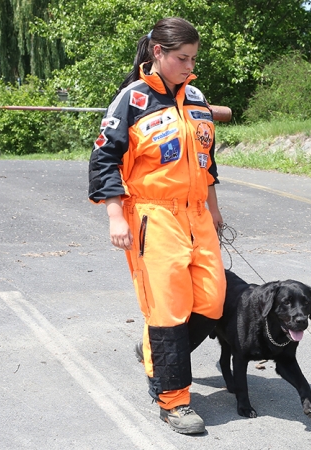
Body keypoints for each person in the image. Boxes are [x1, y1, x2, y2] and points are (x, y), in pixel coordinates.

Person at [88, 17, 226, 435]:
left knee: (212, 301)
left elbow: (207, 161)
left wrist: (214, 210)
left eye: (194, 58)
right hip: (153, 215)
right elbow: (104, 161)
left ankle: (153, 349)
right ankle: (173, 401)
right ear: (158, 53)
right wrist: (115, 215)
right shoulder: (131, 100)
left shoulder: (197, 97)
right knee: (167, 310)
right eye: (182, 58)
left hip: (197, 214)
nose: (189, 65)